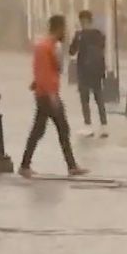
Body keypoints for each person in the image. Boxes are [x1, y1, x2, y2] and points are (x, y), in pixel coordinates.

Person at [20, 14, 89, 178]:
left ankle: (25, 164)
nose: (65, 31)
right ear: (58, 28)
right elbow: (50, 71)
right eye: (63, 28)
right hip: (49, 94)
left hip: (43, 93)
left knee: (38, 130)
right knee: (62, 129)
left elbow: (40, 70)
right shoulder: (51, 47)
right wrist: (51, 95)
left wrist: (37, 84)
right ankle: (71, 166)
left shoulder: (41, 45)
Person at [68, 10, 109, 137]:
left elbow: (72, 51)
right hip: (97, 70)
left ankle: (88, 125)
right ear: (91, 20)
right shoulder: (99, 34)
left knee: (85, 99)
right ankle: (104, 126)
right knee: (99, 98)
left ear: (81, 21)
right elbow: (102, 48)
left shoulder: (79, 35)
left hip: (84, 71)